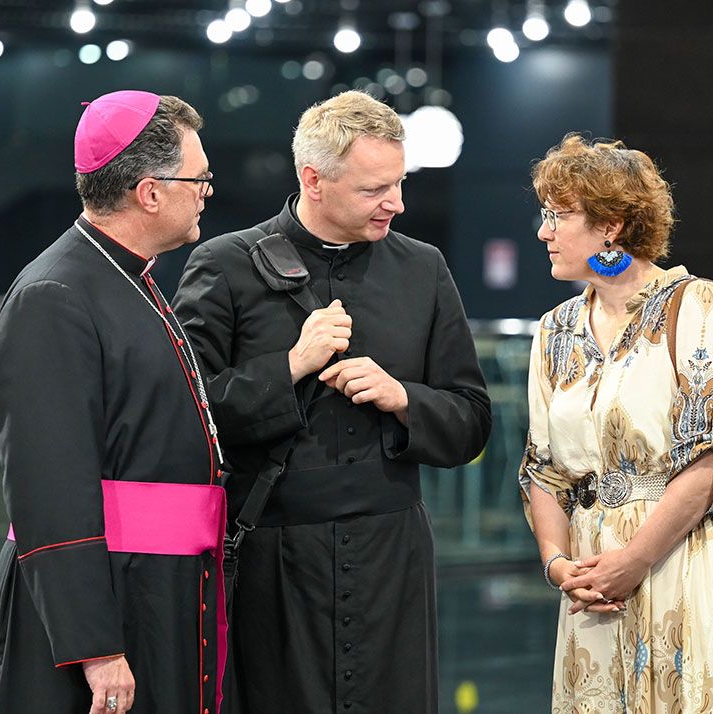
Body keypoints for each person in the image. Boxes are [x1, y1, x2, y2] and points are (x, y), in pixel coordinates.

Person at [172, 90, 492, 713]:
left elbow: (472, 421)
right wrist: (289, 366)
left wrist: (405, 400)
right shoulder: (225, 265)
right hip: (271, 556)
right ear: (313, 180)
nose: (396, 203)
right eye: (376, 189)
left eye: (399, 183)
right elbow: (188, 415)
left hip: (392, 557)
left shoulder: (424, 268)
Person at [0, 90, 227, 714]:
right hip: (105, 604)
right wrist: (95, 646)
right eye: (199, 178)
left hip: (151, 583)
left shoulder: (126, 275)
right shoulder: (55, 293)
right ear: (149, 192)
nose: (207, 191)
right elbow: (46, 483)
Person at [519, 133, 713, 712]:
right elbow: (542, 473)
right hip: (588, 590)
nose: (543, 232)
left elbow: (711, 461)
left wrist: (633, 561)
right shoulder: (554, 330)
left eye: (558, 216)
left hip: (675, 565)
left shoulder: (703, 307)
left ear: (613, 226)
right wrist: (559, 566)